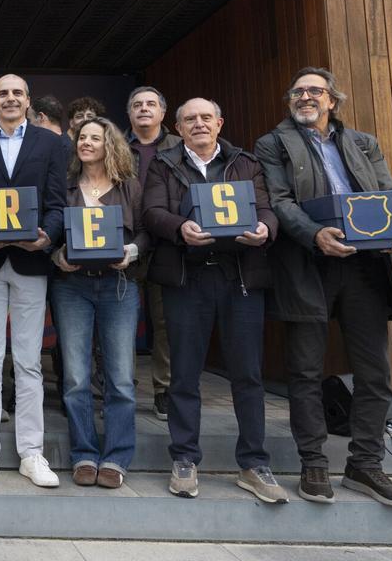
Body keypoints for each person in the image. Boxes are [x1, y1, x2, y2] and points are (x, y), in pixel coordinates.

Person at [255, 67, 392, 507]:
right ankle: (314, 465)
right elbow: (280, 201)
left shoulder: (363, 142)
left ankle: (365, 464)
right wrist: (315, 235)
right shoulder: (273, 143)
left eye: (314, 91)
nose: (305, 97)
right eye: (298, 91)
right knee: (305, 370)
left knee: (374, 373)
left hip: (367, 265)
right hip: (310, 266)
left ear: (332, 100)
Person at [142, 97, 288, 504]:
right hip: (187, 277)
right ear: (179, 126)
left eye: (206, 117)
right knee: (184, 375)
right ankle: (185, 458)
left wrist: (265, 228)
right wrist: (179, 227)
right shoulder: (164, 164)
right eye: (190, 119)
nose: (199, 124)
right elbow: (151, 211)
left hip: (239, 276)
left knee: (248, 375)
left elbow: (267, 207)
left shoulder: (246, 162)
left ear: (219, 123)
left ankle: (253, 464)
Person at [0, 74, 66, 489]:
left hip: (30, 264)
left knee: (28, 362)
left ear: (28, 102)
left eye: (17, 93)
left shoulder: (51, 144)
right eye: (3, 93)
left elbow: (57, 203)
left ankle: (31, 453)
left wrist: (46, 238)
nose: (10, 98)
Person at [50, 117, 148, 489]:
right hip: (71, 286)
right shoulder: (65, 186)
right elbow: (51, 234)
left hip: (118, 285)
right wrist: (57, 257)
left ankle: (117, 456)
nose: (87, 143)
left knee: (120, 378)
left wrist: (133, 251)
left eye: (95, 138)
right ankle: (84, 454)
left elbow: (145, 232)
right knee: (75, 378)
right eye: (82, 138)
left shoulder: (130, 187)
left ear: (111, 145)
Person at [125, 85, 181, 421]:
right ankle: (122, 388)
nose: (144, 109)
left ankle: (164, 390)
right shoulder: (118, 145)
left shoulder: (180, 145)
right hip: (128, 241)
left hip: (168, 243)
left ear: (162, 112)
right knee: (123, 321)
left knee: (165, 322)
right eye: (137, 105)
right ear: (129, 114)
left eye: (150, 104)